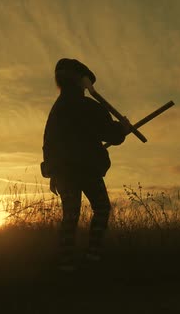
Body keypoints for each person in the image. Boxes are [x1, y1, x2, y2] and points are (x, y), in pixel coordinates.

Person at [41, 58, 128, 271]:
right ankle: (92, 256)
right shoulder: (88, 106)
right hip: (86, 169)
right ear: (82, 81)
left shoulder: (57, 109)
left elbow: (49, 143)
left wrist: (53, 172)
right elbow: (111, 134)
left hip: (64, 171)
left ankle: (66, 263)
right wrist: (122, 128)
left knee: (70, 215)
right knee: (101, 208)